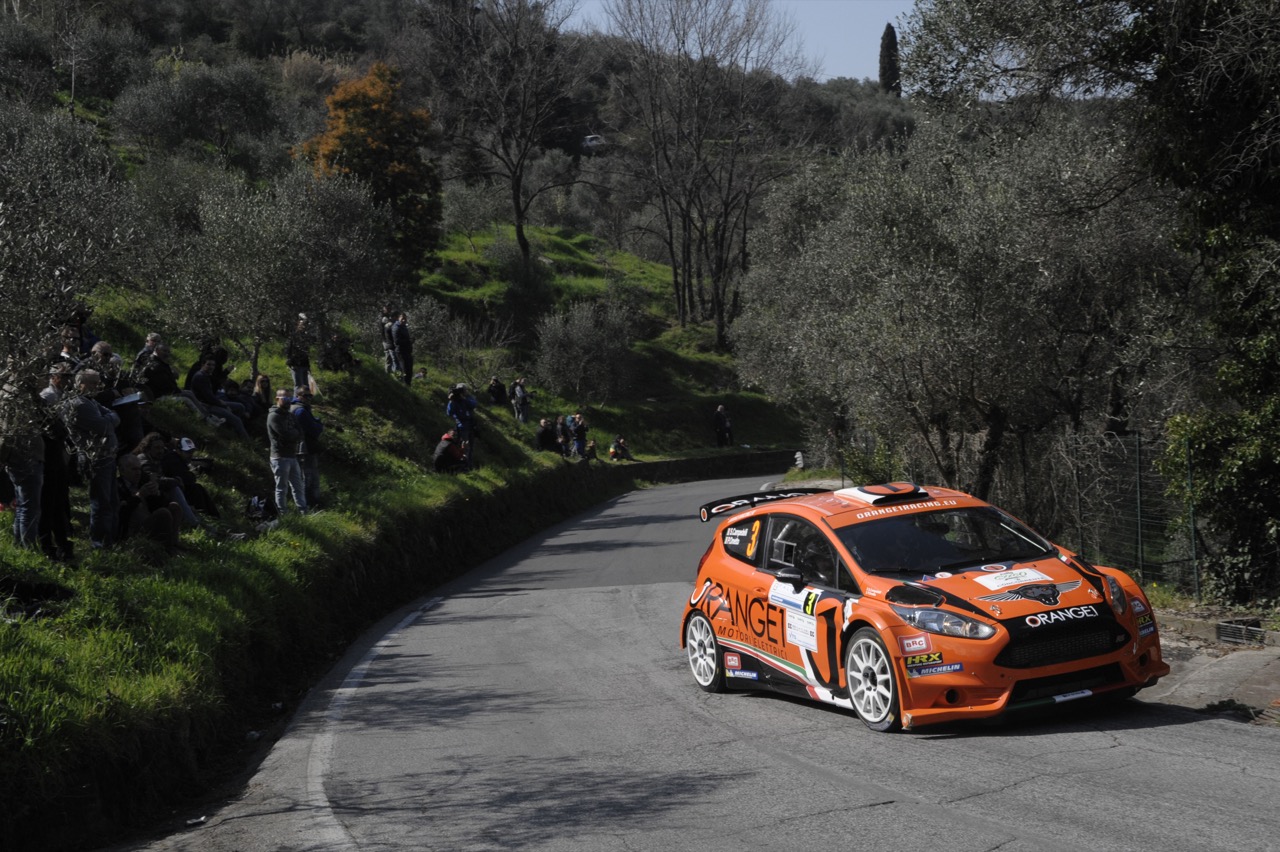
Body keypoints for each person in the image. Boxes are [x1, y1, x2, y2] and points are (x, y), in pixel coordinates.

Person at [65, 369, 120, 548]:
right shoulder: (80, 404)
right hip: (96, 458)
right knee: (101, 502)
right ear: (81, 384)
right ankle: (100, 542)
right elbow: (103, 426)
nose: (98, 387)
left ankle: (111, 538)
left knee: (111, 500)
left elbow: (114, 416)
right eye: (93, 383)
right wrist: (109, 418)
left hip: (107, 457)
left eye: (98, 383)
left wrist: (109, 418)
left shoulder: (91, 401)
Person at [39, 364, 75, 560]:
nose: (68, 380)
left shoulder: (63, 396)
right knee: (49, 501)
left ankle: (62, 539)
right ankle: (49, 543)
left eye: (69, 376)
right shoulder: (47, 397)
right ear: (54, 377)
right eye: (64, 376)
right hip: (49, 454)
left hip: (60, 452)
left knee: (60, 498)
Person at [116, 452, 180, 551]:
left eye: (139, 469)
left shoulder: (141, 482)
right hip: (132, 530)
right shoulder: (117, 487)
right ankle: (167, 550)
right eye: (133, 469)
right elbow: (122, 513)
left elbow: (159, 504)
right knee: (163, 513)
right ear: (122, 471)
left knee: (174, 507)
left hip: (147, 521)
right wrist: (139, 496)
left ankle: (174, 544)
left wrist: (157, 494)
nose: (138, 472)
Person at [267, 388, 307, 516]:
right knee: (281, 487)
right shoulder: (273, 416)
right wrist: (294, 434)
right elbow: (285, 435)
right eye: (285, 398)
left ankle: (303, 511)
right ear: (277, 399)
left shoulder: (290, 415)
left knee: (298, 486)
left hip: (292, 455)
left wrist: (294, 434)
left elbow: (300, 432)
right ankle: (283, 513)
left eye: (290, 398)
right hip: (279, 457)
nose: (288, 401)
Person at [188, 358, 249, 439]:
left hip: (212, 402)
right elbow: (209, 398)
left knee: (240, 407)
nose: (211, 367)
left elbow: (217, 382)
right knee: (237, 420)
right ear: (203, 365)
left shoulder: (207, 376)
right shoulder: (200, 377)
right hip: (205, 406)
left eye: (213, 365)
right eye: (208, 364)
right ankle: (247, 441)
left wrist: (226, 371)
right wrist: (223, 405)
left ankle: (231, 429)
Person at [291, 386, 325, 509]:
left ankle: (315, 503)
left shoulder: (301, 408)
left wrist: (315, 422)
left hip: (305, 447)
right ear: (298, 396)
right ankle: (308, 504)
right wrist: (319, 423)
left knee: (310, 477)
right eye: (305, 396)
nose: (308, 398)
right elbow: (314, 430)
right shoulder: (300, 411)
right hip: (304, 448)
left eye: (310, 396)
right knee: (308, 478)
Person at [446, 383, 478, 468]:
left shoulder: (468, 397)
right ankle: (464, 465)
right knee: (465, 447)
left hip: (471, 425)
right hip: (462, 426)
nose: (462, 392)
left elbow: (474, 404)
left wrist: (464, 398)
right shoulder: (454, 400)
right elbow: (449, 413)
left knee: (471, 447)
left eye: (463, 390)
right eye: (460, 390)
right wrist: (451, 401)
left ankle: (469, 464)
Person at [286, 314, 312, 392]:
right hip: (296, 365)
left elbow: (306, 353)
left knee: (305, 385)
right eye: (302, 325)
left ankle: (305, 400)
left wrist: (308, 366)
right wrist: (292, 363)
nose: (304, 327)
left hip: (304, 364)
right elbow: (289, 350)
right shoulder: (294, 336)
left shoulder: (305, 338)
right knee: (298, 385)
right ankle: (296, 401)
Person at [391, 312, 413, 386]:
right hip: (401, 351)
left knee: (409, 368)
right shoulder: (396, 327)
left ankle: (408, 384)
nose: (404, 320)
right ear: (398, 318)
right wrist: (408, 341)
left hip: (407, 351)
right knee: (405, 369)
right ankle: (404, 384)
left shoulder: (404, 327)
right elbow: (397, 341)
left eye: (405, 319)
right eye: (402, 318)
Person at [380, 306, 400, 376]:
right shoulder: (385, 318)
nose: (389, 310)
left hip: (387, 341)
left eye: (389, 308)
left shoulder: (388, 318)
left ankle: (389, 374)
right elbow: (387, 329)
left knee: (390, 359)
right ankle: (387, 374)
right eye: (387, 308)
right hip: (386, 341)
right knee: (389, 358)